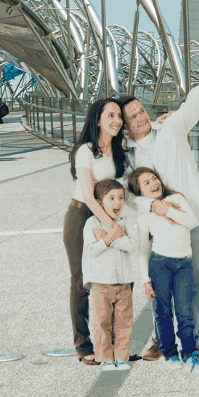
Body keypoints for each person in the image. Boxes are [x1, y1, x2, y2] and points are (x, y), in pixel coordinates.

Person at [119, 65, 199, 363]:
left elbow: (190, 108)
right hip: (161, 226)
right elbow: (128, 195)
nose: (141, 117)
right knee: (161, 283)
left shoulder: (171, 127)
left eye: (141, 111)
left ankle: (198, 341)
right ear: (126, 125)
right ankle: (160, 338)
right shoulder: (128, 155)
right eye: (134, 116)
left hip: (194, 218)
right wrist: (152, 206)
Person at [64, 97, 128, 365]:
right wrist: (111, 227)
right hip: (81, 217)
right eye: (110, 115)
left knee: (113, 281)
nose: (117, 121)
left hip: (105, 217)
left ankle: (113, 346)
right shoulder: (85, 151)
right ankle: (83, 345)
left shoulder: (118, 148)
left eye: (119, 116)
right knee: (82, 282)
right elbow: (90, 196)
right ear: (97, 119)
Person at [127, 165, 199, 369]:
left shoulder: (176, 200)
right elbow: (143, 251)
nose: (153, 183)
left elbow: (192, 221)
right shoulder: (144, 218)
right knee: (163, 311)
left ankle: (189, 353)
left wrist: (166, 209)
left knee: (185, 311)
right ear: (140, 193)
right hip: (160, 265)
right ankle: (170, 354)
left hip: (184, 264)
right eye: (147, 182)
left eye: (154, 178)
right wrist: (145, 280)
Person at [82, 179, 138, 368]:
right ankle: (105, 359)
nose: (117, 203)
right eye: (111, 198)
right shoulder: (91, 223)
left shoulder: (126, 222)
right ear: (100, 202)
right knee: (102, 324)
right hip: (101, 283)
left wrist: (108, 239)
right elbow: (91, 250)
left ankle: (121, 358)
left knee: (124, 323)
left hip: (124, 283)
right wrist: (111, 239)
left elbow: (132, 245)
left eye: (121, 198)